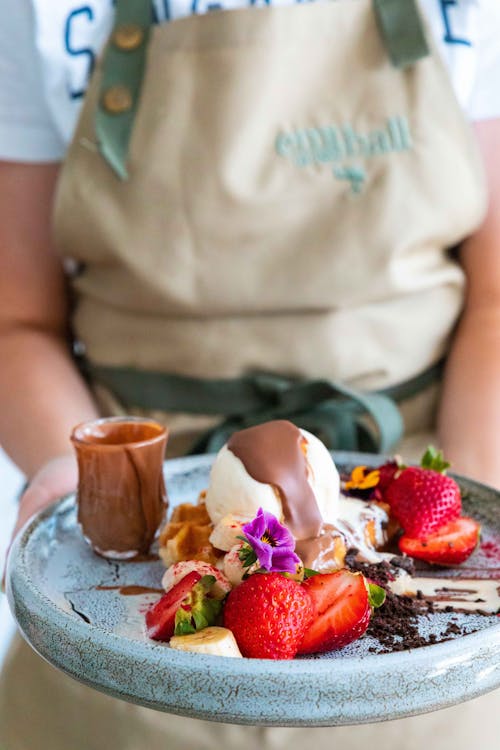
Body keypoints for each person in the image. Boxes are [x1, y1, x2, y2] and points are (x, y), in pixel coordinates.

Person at [0, 0, 499, 748]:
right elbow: (18, 318)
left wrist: (469, 516)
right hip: (132, 577)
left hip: (410, 604)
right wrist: (83, 490)